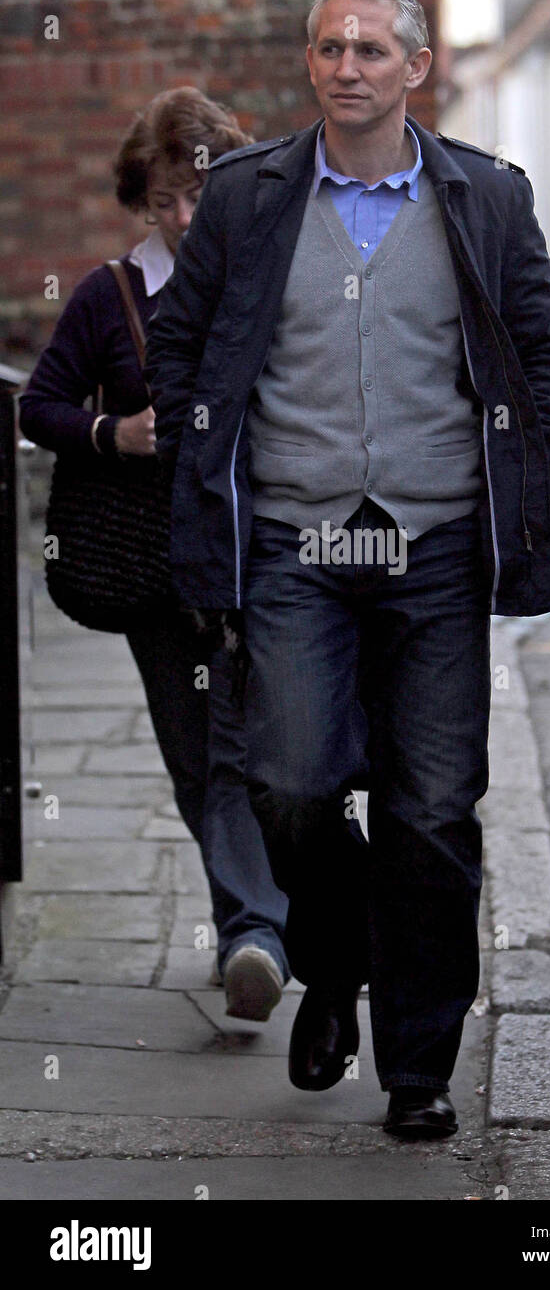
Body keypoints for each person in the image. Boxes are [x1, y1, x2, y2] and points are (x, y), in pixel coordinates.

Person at [144, 0, 550, 1138]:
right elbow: (178, 344)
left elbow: (540, 343)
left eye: (372, 49)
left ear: (414, 69)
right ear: (310, 65)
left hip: (433, 542)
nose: (348, 66)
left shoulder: (483, 199)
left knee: (432, 808)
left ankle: (420, 1066)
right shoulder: (247, 199)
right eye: (330, 47)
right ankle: (333, 965)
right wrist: (201, 476)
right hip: (297, 538)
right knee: (288, 782)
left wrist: (529, 471)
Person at [19, 86, 289, 1022]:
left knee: (265, 758)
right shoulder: (108, 296)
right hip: (149, 565)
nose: (180, 218)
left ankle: (258, 929)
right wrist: (109, 434)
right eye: (162, 202)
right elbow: (38, 404)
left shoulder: (265, 277)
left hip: (263, 557)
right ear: (142, 200)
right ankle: (250, 932)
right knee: (195, 760)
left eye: (197, 198)